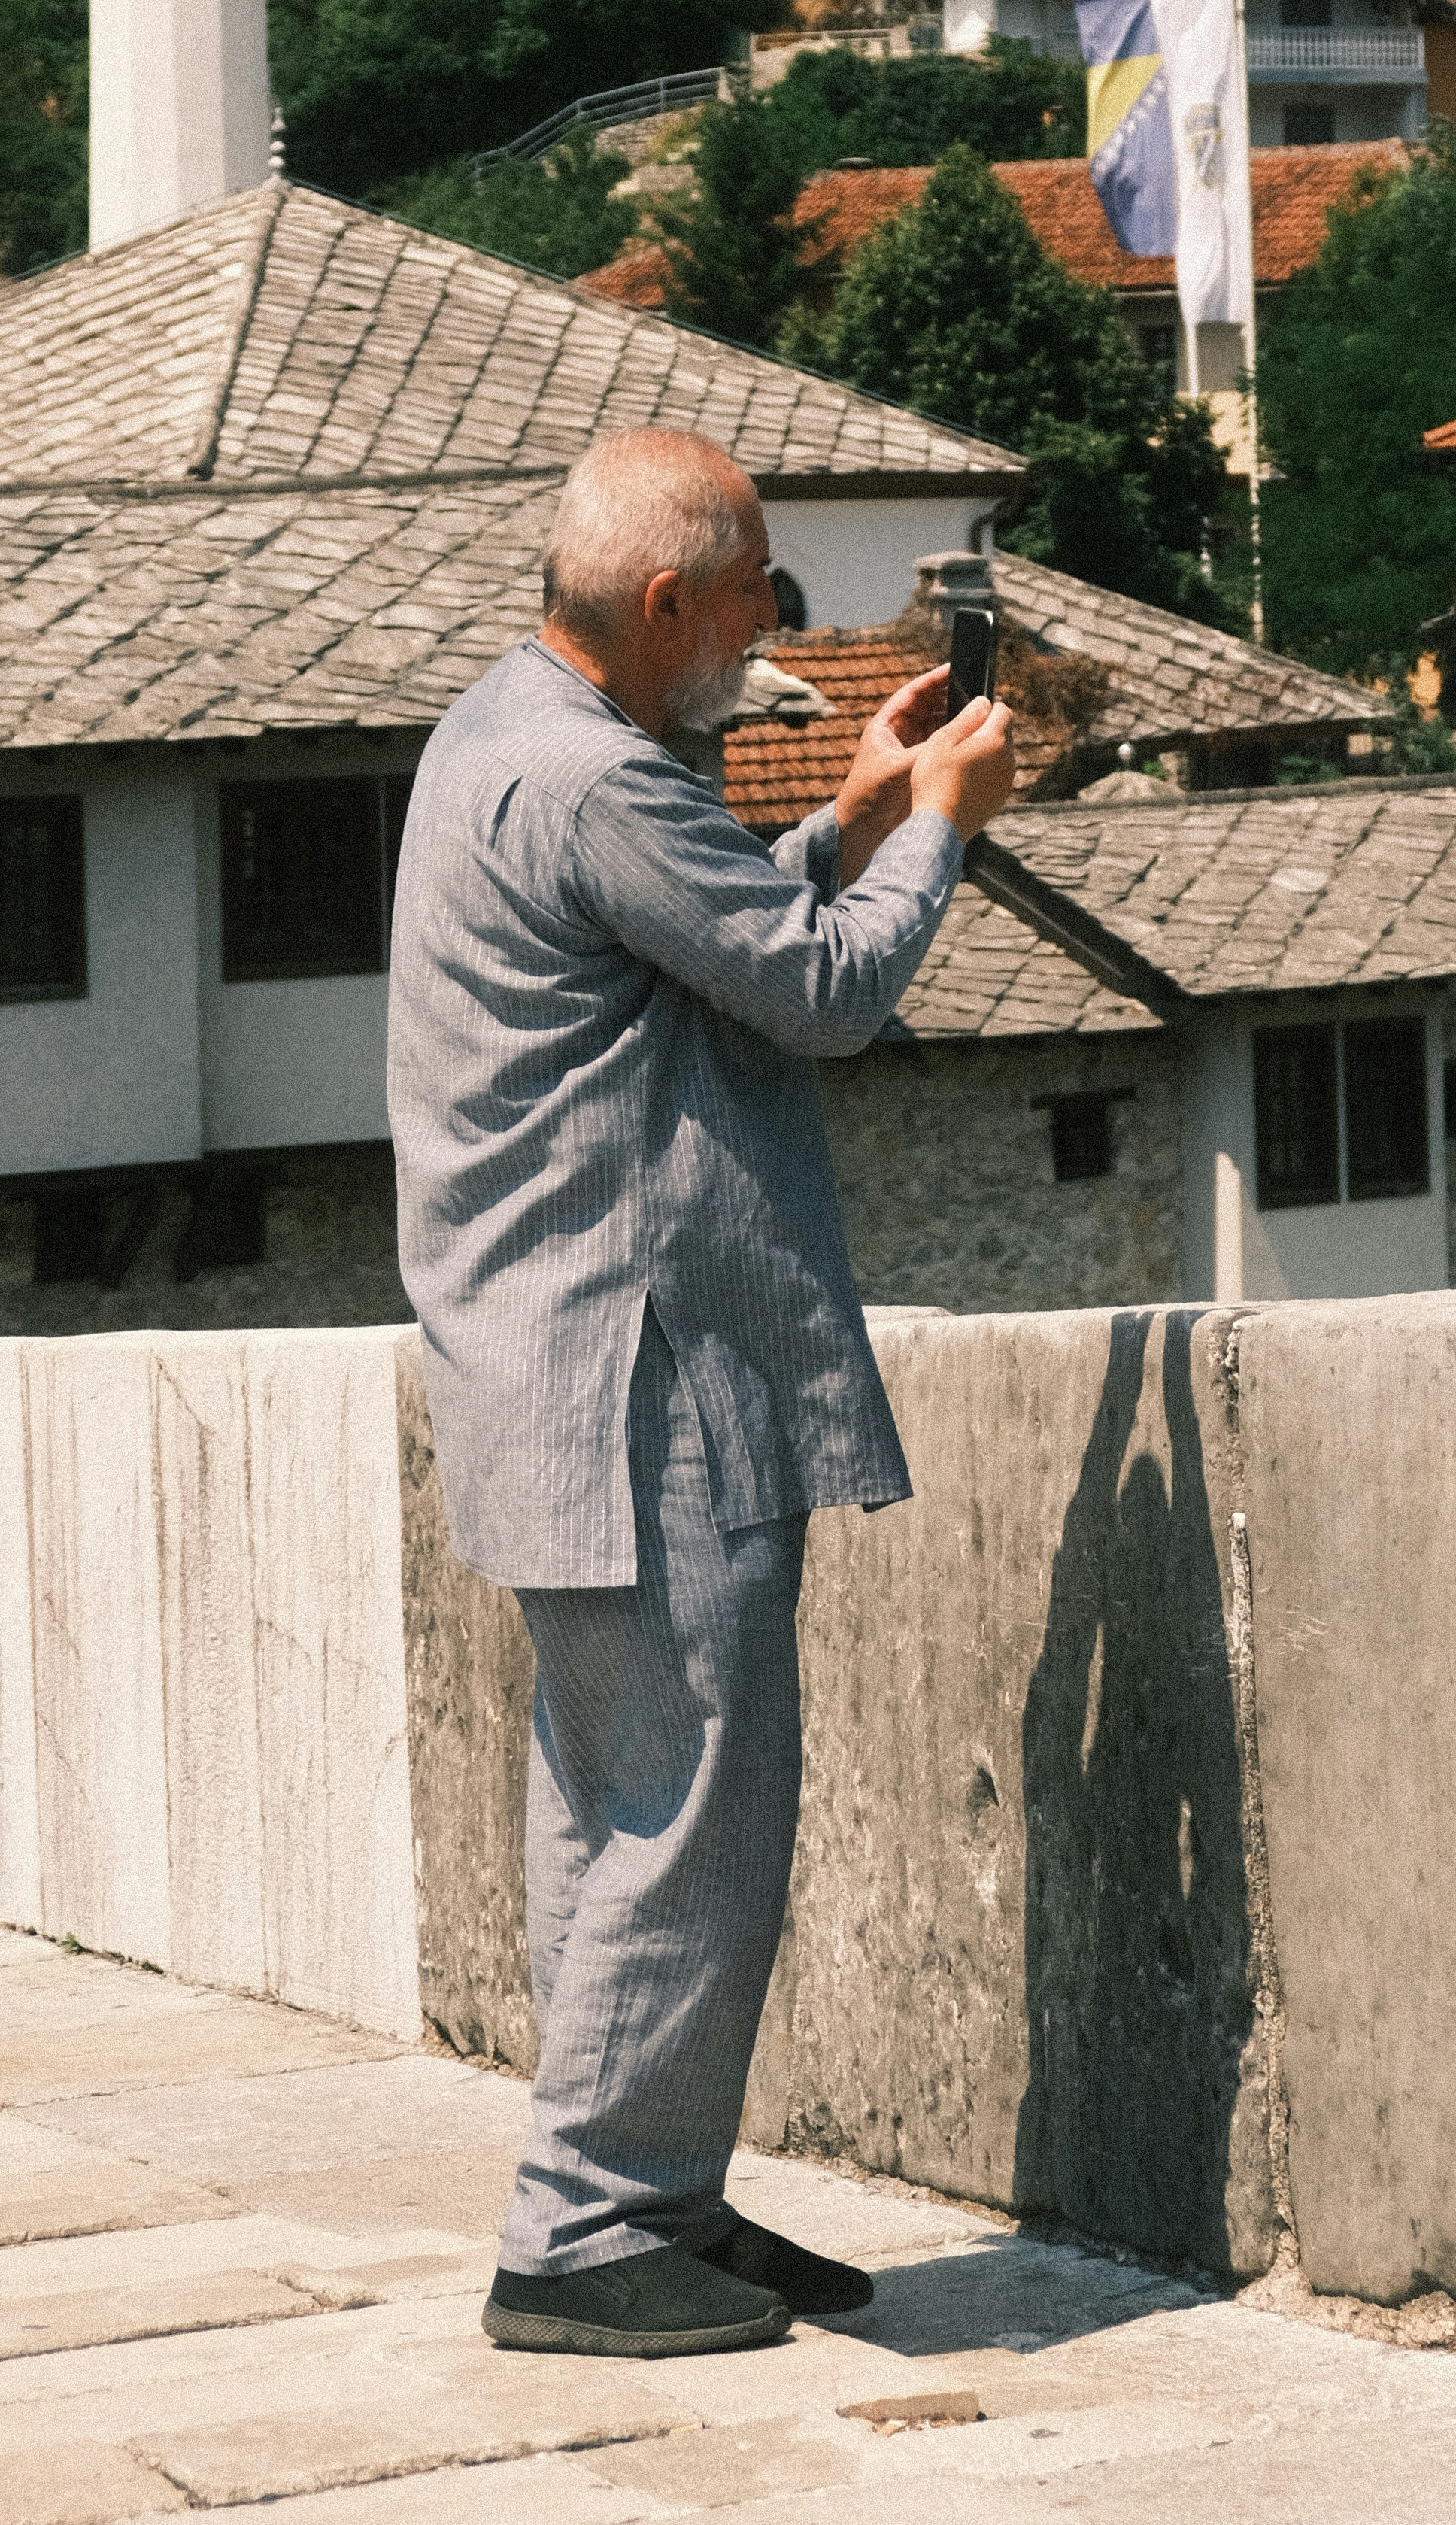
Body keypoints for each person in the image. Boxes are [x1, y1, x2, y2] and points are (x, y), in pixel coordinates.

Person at [388, 420, 1017, 2362]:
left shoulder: (504, 732)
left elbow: (717, 935)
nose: (778, 626)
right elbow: (821, 997)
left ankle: (641, 2198)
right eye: (755, 594)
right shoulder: (597, 783)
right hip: (648, 1386)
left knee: (616, 1813)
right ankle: (580, 2235)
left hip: (540, 1378)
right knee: (693, 1828)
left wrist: (856, 810)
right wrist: (945, 836)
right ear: (666, 602)